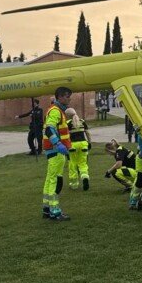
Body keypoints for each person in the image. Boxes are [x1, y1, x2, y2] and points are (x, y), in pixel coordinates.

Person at [41, 87, 73, 220]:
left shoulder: (55, 110)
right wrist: (58, 143)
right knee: (56, 180)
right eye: (67, 96)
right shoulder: (56, 111)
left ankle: (47, 209)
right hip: (56, 151)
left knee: (50, 179)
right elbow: (49, 128)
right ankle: (55, 211)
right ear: (59, 97)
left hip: (52, 150)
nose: (69, 99)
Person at [64, 106, 91, 190]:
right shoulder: (82, 121)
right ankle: (85, 177)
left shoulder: (67, 123)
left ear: (67, 115)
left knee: (73, 164)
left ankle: (74, 184)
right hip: (83, 144)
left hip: (73, 145)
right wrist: (89, 143)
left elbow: (65, 136)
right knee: (83, 163)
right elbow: (87, 133)